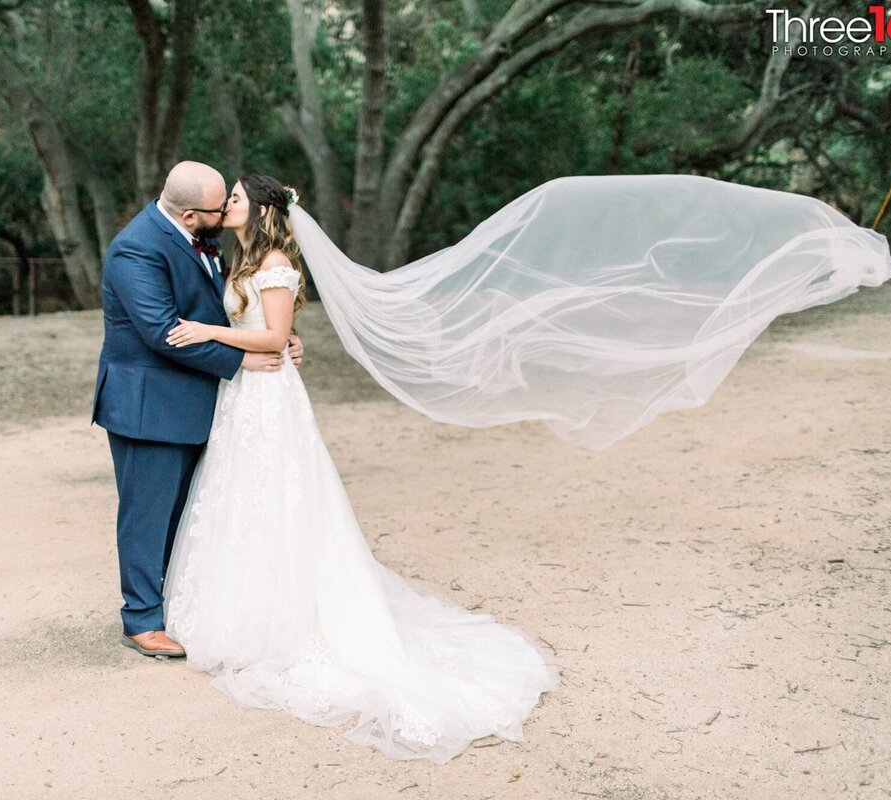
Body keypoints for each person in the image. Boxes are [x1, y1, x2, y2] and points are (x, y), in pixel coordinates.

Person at [161, 174, 560, 764]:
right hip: (246, 395)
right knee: (243, 499)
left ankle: (282, 621)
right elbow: (278, 335)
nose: (229, 206)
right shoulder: (244, 259)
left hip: (269, 400)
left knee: (279, 498)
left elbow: (270, 333)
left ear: (265, 210)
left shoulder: (274, 261)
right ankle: (240, 610)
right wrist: (281, 341)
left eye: (239, 198)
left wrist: (211, 331)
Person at [91, 162, 304, 658]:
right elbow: (165, 332)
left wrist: (281, 337)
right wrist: (244, 358)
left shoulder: (212, 242)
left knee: (183, 512)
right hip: (149, 405)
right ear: (190, 215)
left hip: (198, 400)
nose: (228, 208)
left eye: (232, 200)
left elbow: (228, 309)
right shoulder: (135, 249)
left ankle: (172, 604)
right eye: (219, 206)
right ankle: (141, 620)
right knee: (147, 513)